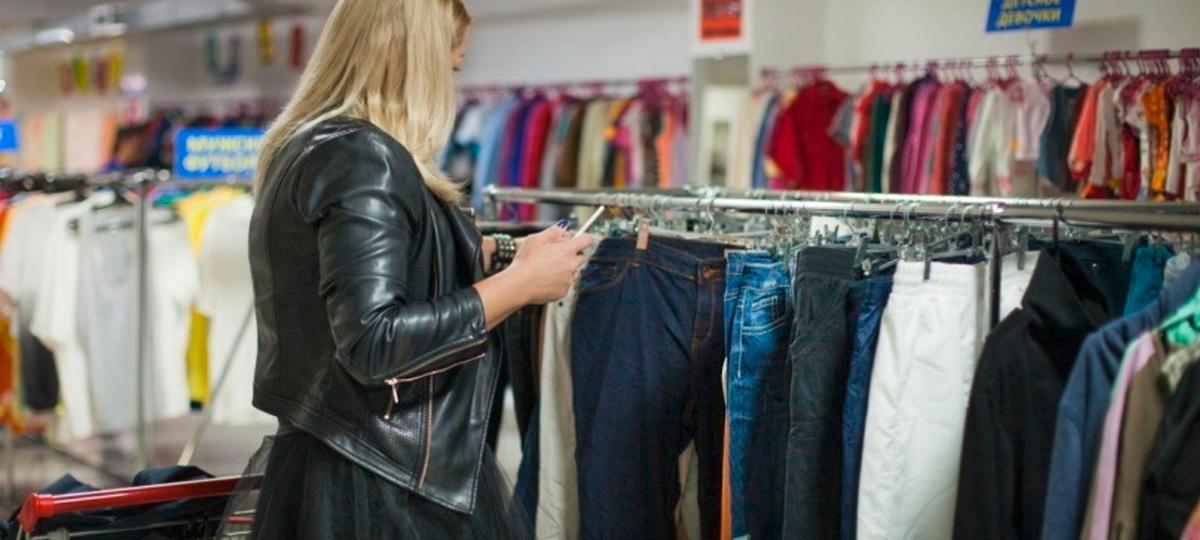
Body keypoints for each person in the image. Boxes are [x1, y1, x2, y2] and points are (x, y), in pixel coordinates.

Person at [242, 0, 592, 537]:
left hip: (350, 455)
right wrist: (519, 284)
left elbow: (387, 268)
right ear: (417, 62)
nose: (451, 84)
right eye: (450, 66)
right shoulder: (363, 157)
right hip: (380, 480)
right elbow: (374, 341)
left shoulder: (318, 145)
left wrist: (497, 253)